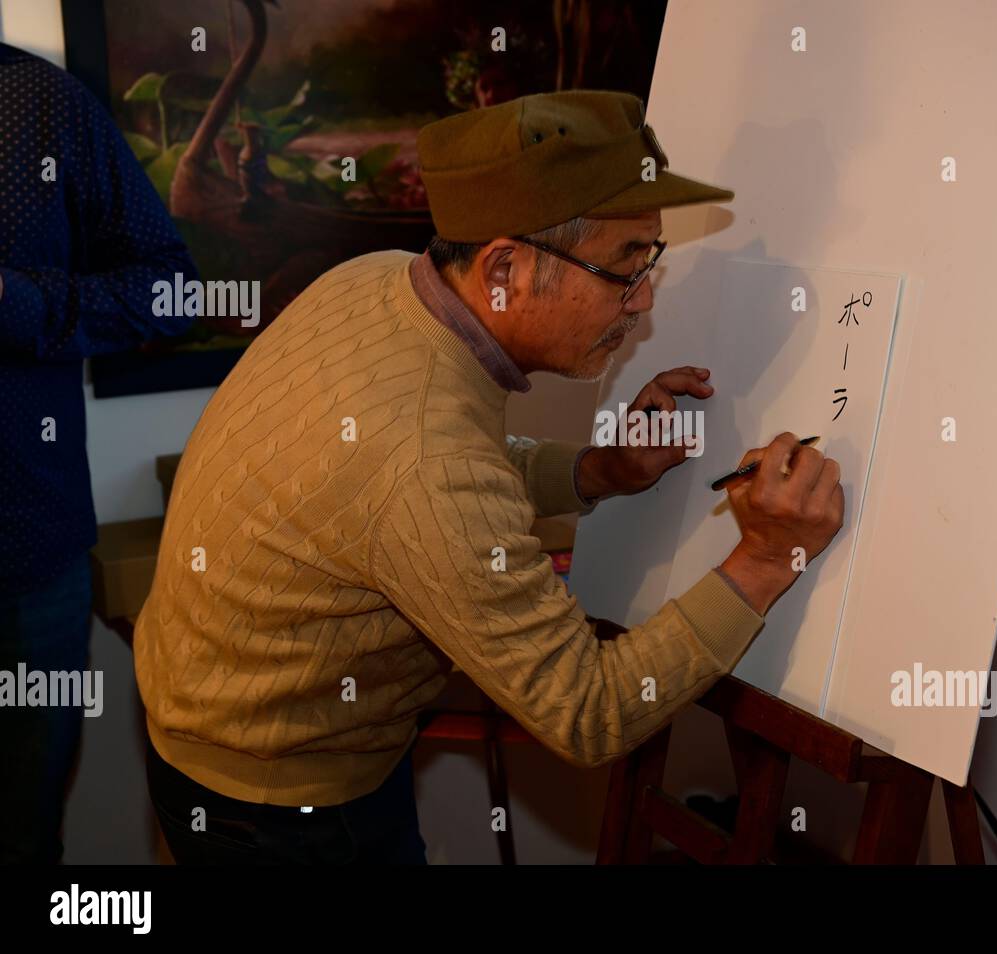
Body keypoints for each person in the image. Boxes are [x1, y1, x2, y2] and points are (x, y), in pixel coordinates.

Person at [133, 90, 844, 864]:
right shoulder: (427, 459)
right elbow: (589, 709)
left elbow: (403, 478)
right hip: (279, 806)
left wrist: (595, 470)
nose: (642, 305)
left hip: (212, 733)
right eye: (624, 268)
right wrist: (768, 557)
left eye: (652, 261)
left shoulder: (376, 281)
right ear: (505, 266)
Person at [0, 43, 198, 863]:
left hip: (24, 564)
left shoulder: (42, 104)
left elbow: (175, 291)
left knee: (21, 842)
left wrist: (13, 301)